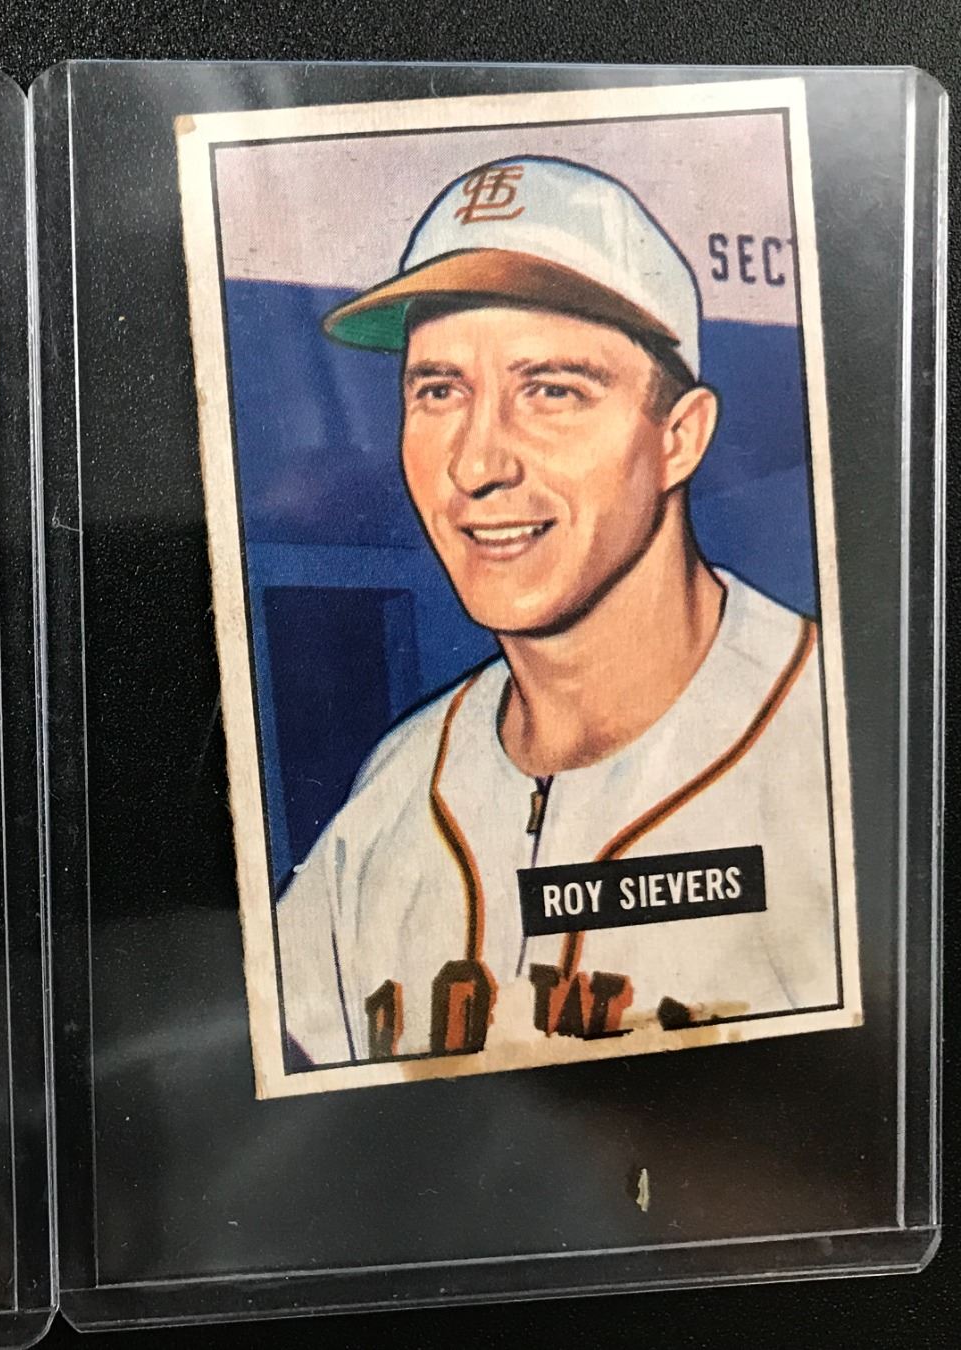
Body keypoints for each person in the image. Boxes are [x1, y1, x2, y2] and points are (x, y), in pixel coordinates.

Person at [276, 157, 841, 1070]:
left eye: (552, 390)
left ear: (680, 437)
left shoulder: (839, 754)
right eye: (438, 391)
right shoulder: (395, 785)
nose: (476, 465)